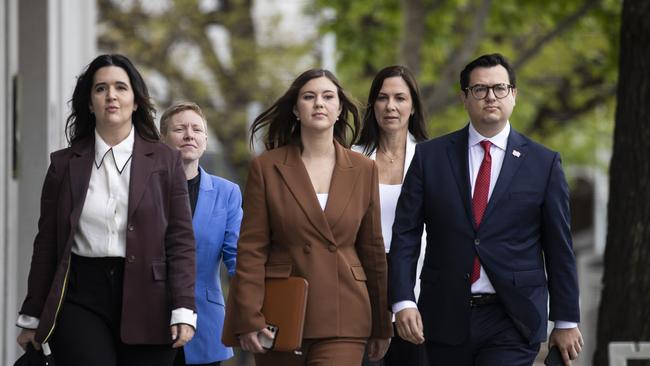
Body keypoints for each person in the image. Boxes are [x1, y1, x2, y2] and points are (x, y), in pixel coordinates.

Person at [388, 53, 583, 366]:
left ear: (514, 95)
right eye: (479, 89)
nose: (490, 96)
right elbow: (406, 234)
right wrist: (402, 300)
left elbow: (559, 246)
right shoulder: (430, 157)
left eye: (499, 88)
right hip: (444, 314)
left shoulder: (544, 164)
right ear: (464, 98)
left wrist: (566, 320)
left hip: (512, 318)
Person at [15, 54, 196, 366]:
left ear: (135, 101)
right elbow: (47, 244)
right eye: (100, 89)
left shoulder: (166, 162)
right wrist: (32, 314)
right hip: (80, 297)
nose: (111, 95)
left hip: (151, 299)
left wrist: (183, 307)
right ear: (89, 103)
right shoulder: (63, 165)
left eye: (120, 88)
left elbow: (180, 240)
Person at [223, 69, 392, 365]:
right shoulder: (267, 167)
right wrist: (249, 315)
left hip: (345, 312)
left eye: (328, 97)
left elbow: (372, 249)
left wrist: (381, 324)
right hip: (280, 313)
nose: (319, 103)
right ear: (296, 109)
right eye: (309, 97)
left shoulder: (364, 169)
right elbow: (251, 248)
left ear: (339, 110)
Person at [352, 65, 428, 366]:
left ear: (413, 106)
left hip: (417, 284)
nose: (391, 106)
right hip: (361, 282)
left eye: (400, 98)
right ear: (373, 106)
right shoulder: (351, 157)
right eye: (382, 98)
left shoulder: (432, 158)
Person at [161, 101, 243, 366]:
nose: (189, 135)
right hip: (151, 317)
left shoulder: (227, 192)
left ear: (205, 141)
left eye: (196, 129)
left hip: (205, 319)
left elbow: (236, 258)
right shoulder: (145, 188)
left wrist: (253, 306)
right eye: (179, 129)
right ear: (162, 140)